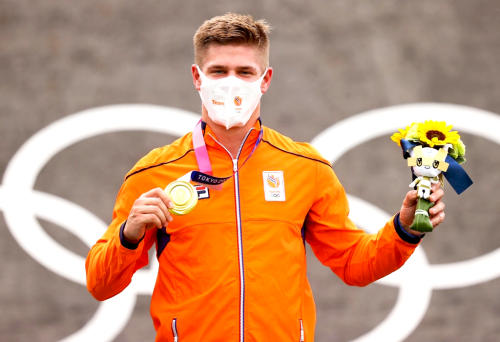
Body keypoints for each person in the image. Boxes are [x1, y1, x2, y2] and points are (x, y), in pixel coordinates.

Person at [85, 13, 445, 342]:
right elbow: (99, 284)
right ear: (197, 78)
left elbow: (354, 264)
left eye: (244, 72)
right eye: (218, 71)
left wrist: (404, 228)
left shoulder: (306, 166)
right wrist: (128, 234)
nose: (231, 83)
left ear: (265, 80)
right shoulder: (153, 172)